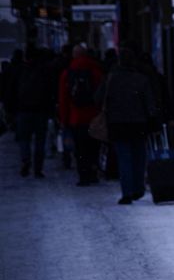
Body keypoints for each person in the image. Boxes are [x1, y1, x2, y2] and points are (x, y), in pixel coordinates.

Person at [99, 42, 156, 205]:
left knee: (124, 158)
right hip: (138, 123)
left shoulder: (111, 79)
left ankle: (127, 192)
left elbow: (99, 98)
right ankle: (138, 188)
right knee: (139, 156)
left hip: (117, 123)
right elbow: (150, 104)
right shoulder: (141, 79)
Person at [59, 45, 104, 186]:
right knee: (94, 147)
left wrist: (64, 118)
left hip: (76, 117)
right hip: (93, 116)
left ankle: (83, 175)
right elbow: (102, 94)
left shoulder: (67, 73)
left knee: (79, 148)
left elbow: (63, 98)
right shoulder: (96, 71)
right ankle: (93, 172)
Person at [7, 47, 56, 178]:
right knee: (40, 140)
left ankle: (25, 160)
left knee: (24, 140)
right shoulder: (45, 71)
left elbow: (11, 91)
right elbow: (51, 92)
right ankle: (38, 168)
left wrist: (11, 110)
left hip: (23, 110)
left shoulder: (20, 70)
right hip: (41, 111)